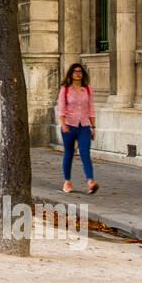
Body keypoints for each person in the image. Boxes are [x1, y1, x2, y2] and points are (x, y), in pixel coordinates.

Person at [57, 62, 98, 194]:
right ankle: (67, 182)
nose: (78, 73)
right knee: (69, 154)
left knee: (85, 153)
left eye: (80, 71)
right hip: (69, 125)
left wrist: (93, 127)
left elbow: (91, 109)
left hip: (84, 126)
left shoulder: (87, 89)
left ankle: (90, 182)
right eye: (75, 71)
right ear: (71, 74)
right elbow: (61, 109)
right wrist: (63, 125)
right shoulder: (65, 90)